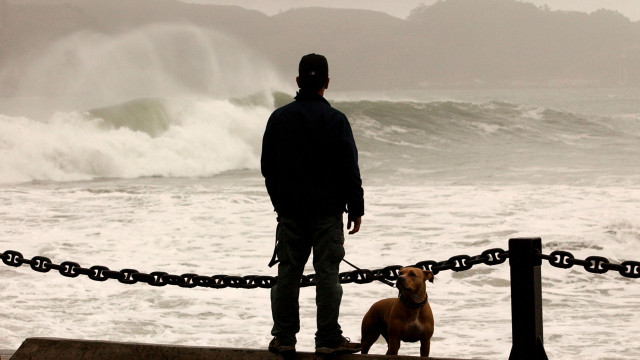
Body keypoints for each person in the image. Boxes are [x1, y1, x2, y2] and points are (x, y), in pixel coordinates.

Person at [261, 53, 364, 356]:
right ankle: (328, 339)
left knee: (288, 274)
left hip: (291, 212)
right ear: (327, 83)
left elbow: (268, 168)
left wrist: (280, 203)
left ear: (298, 81)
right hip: (327, 212)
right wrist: (355, 207)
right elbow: (349, 167)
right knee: (327, 275)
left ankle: (283, 338)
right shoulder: (335, 120)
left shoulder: (279, 118)